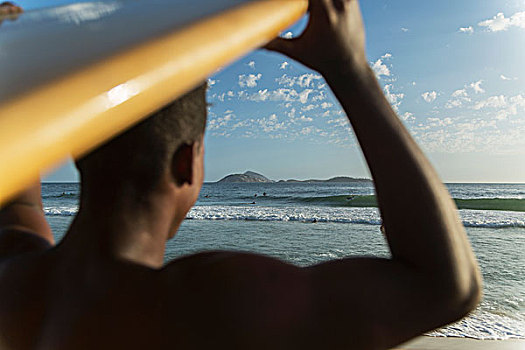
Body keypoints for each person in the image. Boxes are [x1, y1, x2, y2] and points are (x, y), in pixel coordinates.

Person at [0, 0, 482, 349]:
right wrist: (350, 69)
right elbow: (444, 285)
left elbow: (18, 203)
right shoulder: (206, 305)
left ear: (79, 156)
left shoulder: (14, 278)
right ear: (187, 164)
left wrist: (13, 60)